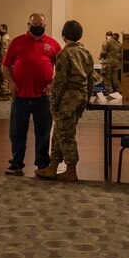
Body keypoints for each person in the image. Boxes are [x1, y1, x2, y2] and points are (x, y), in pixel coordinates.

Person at [1, 12, 60, 176]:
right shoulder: (17, 42)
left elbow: (62, 67)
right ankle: (17, 163)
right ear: (29, 24)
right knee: (17, 131)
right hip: (20, 96)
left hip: (43, 97)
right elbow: (5, 66)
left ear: (45, 25)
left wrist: (52, 83)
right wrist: (10, 81)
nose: (37, 28)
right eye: (34, 26)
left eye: (40, 25)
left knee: (43, 132)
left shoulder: (52, 44)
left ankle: (42, 164)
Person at [36, 20, 93, 183]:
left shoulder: (64, 54)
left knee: (66, 136)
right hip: (80, 98)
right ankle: (53, 166)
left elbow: (60, 81)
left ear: (63, 36)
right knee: (59, 133)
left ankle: (71, 169)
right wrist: (87, 98)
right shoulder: (86, 53)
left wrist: (54, 103)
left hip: (67, 100)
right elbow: (90, 79)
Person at [0, 24, 11, 98]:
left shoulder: (4, 38)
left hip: (3, 60)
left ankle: (4, 92)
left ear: (5, 29)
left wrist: (2, 61)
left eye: (0, 29)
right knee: (2, 76)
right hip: (4, 60)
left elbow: (4, 51)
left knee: (3, 76)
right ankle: (4, 91)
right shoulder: (4, 37)